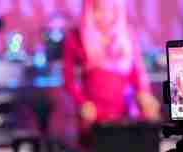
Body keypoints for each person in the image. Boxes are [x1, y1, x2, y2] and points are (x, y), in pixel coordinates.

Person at [63, 0, 161, 139]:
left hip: (125, 112)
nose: (105, 15)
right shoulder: (76, 37)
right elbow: (69, 79)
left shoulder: (127, 35)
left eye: (110, 10)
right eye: (98, 9)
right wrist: (82, 102)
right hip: (93, 114)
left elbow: (138, 73)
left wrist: (145, 94)